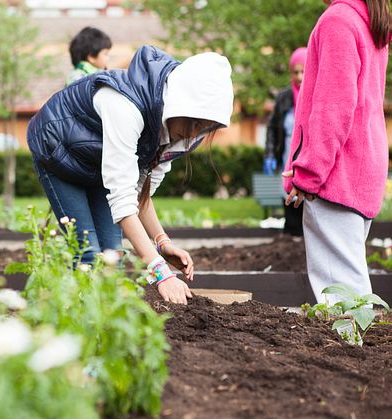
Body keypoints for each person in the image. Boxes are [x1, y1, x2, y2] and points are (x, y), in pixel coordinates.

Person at [28, 46, 234, 305]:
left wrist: (162, 242)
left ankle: (105, 325)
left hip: (98, 163)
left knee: (113, 255)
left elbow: (138, 194)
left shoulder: (179, 134)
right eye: (193, 122)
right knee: (89, 254)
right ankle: (78, 325)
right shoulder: (126, 106)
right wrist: (161, 273)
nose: (194, 133)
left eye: (204, 127)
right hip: (58, 151)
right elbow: (123, 200)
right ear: (177, 104)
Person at [283, 0, 391, 304]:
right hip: (359, 166)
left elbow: (334, 108)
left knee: (342, 295)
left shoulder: (339, 20)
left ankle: (362, 352)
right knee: (348, 285)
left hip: (336, 173)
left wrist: (308, 173)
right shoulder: (368, 22)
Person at [264, 47, 307, 236]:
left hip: (307, 156)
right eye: (295, 72)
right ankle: (291, 236)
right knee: (289, 195)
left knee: (307, 198)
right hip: (287, 154)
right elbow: (272, 129)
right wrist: (270, 154)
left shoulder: (317, 96)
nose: (299, 76)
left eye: (303, 71)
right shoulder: (283, 98)